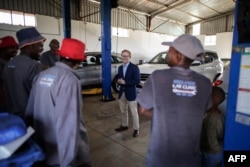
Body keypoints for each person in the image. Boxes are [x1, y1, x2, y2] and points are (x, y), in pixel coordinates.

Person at [136, 34, 212, 167]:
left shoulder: (158, 77)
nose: (167, 52)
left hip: (160, 160)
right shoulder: (205, 83)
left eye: (170, 49)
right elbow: (204, 110)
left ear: (178, 55)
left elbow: (142, 109)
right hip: (191, 161)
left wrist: (164, 112)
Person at [25, 38, 91, 167]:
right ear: (79, 61)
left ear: (60, 56)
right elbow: (68, 123)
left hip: (40, 144)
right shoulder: (70, 80)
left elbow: (30, 111)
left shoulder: (42, 75)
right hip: (58, 152)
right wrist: (67, 161)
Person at [3, 27, 45, 118]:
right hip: (30, 117)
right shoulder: (34, 66)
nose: (42, 49)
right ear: (30, 46)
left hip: (12, 116)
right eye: (40, 46)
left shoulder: (8, 64)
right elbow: (40, 97)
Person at [115, 49, 141, 137]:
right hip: (122, 92)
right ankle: (124, 125)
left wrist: (125, 82)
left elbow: (137, 80)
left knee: (134, 113)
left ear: (130, 57)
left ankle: (136, 129)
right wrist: (119, 80)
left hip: (131, 92)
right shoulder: (120, 67)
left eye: (126, 56)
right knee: (123, 111)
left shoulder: (134, 67)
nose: (124, 57)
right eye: (122, 56)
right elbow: (119, 78)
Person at [200, 86, 226, 167]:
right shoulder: (219, 114)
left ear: (212, 100)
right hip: (215, 153)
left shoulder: (212, 120)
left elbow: (212, 141)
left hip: (211, 153)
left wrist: (219, 152)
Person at [0, 36, 18, 111]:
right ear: (2, 49)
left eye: (16, 48)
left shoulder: (11, 63)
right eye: (11, 47)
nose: (15, 50)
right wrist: (5, 104)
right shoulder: (1, 64)